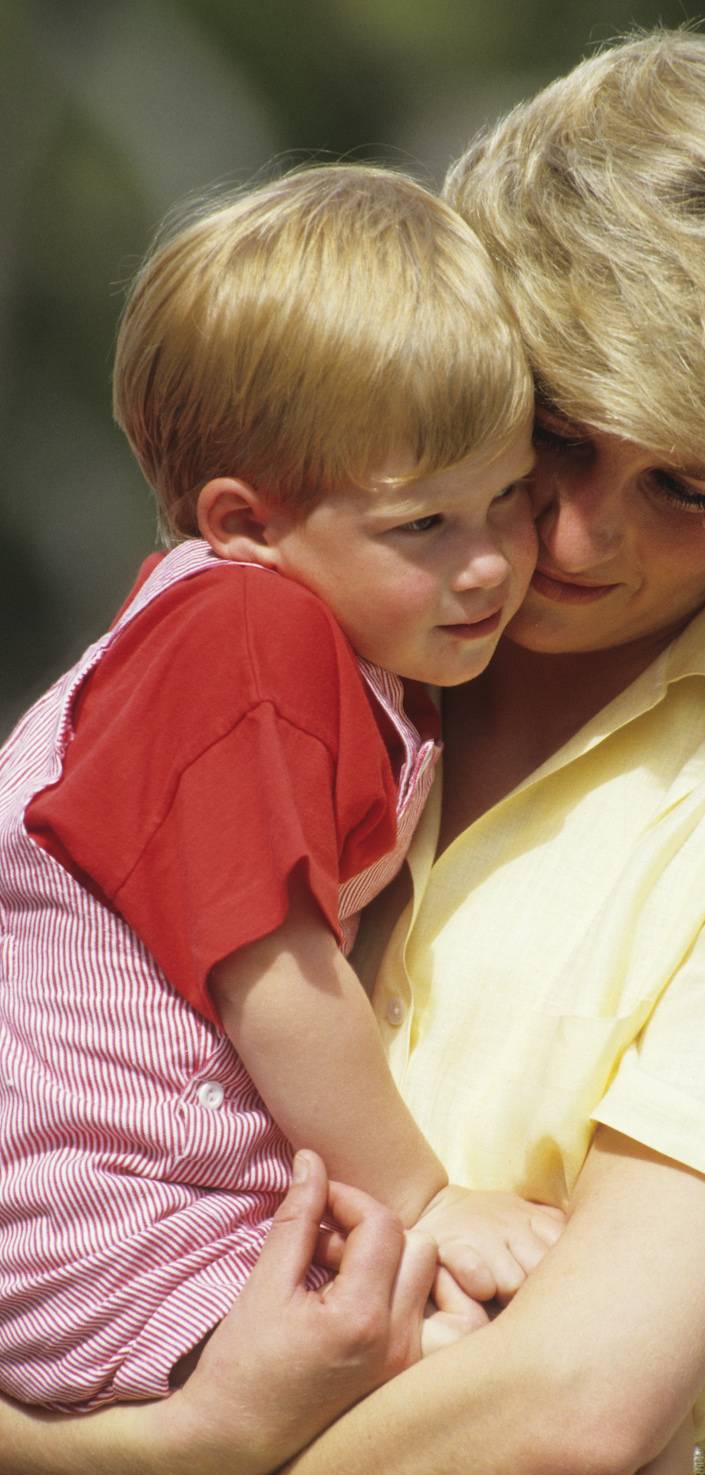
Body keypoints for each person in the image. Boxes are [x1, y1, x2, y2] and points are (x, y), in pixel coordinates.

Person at [1, 26, 705, 1475]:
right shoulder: (313, 639)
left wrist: (180, 1447)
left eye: (687, 486)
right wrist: (179, 1440)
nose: (579, 536)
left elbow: (571, 1408)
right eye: (556, 438)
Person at [0, 162, 561, 1415]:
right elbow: (275, 976)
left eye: (511, 498)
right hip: (88, 1221)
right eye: (424, 524)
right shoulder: (241, 639)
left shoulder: (338, 644)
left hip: (164, 1203)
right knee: (480, 1391)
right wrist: (427, 1198)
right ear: (245, 522)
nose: (489, 564)